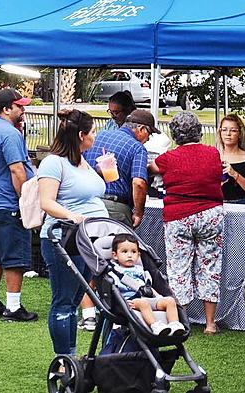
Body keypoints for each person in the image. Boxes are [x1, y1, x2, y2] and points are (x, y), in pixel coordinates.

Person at [38, 108, 107, 352]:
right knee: (64, 301)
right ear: (81, 135)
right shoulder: (53, 163)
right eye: (93, 132)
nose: (95, 136)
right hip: (63, 238)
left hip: (89, 239)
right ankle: (65, 357)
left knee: (75, 300)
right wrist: (71, 216)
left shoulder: (83, 161)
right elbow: (47, 202)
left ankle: (70, 355)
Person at [149, 111, 223, 335]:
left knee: (179, 269)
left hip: (178, 216)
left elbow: (152, 168)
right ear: (199, 131)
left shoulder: (168, 158)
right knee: (210, 267)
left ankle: (182, 319)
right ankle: (210, 323)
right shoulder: (213, 154)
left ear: (174, 134)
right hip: (210, 213)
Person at [77, 111, 151, 330]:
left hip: (90, 206)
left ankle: (89, 314)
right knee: (115, 263)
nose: (147, 139)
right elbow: (138, 182)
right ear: (141, 130)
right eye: (149, 135)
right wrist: (138, 211)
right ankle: (117, 313)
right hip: (117, 208)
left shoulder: (97, 137)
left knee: (90, 260)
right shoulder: (137, 147)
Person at [0, 88, 38, 322]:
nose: (22, 110)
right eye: (19, 106)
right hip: (7, 203)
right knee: (14, 257)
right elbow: (17, 170)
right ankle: (13, 307)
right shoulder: (10, 134)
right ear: (7, 109)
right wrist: (25, 200)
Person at [111, 234, 185, 337]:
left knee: (170, 301)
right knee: (143, 303)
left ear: (139, 254)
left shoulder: (141, 270)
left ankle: (175, 325)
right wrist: (121, 302)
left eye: (133, 252)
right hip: (130, 301)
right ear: (115, 255)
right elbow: (113, 289)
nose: (129, 255)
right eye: (124, 252)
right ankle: (155, 326)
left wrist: (159, 297)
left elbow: (148, 287)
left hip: (147, 298)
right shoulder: (114, 271)